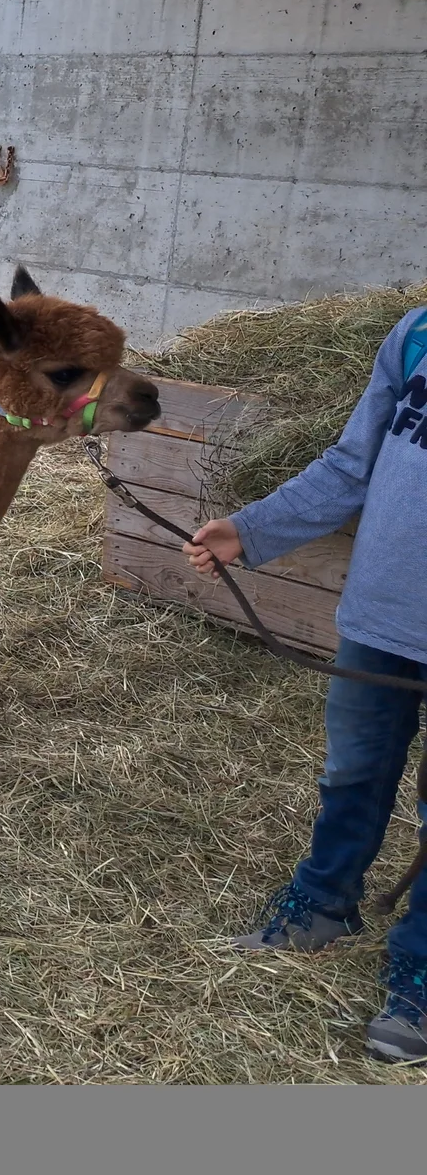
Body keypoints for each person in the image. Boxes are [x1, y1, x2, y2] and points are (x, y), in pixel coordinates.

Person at [185, 304, 427, 1065]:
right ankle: (325, 904)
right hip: (384, 618)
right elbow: (352, 461)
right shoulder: (417, 334)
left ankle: (418, 970)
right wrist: (251, 528)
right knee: (353, 770)